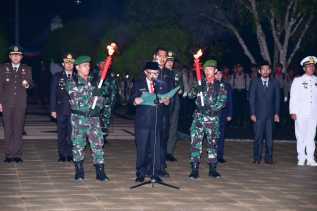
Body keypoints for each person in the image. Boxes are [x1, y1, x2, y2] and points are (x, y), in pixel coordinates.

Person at [66, 56, 109, 181]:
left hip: (93, 119)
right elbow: (76, 98)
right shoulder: (72, 81)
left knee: (98, 145)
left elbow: (101, 100)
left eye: (88, 65)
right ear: (77, 67)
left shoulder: (95, 81)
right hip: (79, 118)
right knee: (78, 145)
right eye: (84, 66)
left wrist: (99, 100)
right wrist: (92, 95)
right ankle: (79, 171)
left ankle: (100, 171)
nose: (87, 68)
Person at [188, 59, 227, 179]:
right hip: (199, 118)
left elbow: (222, 102)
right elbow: (190, 95)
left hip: (212, 118)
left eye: (210, 69)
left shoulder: (220, 85)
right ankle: (194, 169)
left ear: (215, 71)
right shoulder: (199, 83)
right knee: (195, 143)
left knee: (213, 143)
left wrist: (211, 109)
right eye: (205, 69)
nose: (208, 71)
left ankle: (212, 169)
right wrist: (196, 90)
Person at [132, 61, 170, 183]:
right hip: (143, 121)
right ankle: (141, 172)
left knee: (155, 148)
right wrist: (135, 100)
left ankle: (154, 173)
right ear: (145, 72)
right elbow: (131, 99)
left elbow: (168, 102)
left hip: (157, 120)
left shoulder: (162, 85)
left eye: (156, 73)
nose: (154, 76)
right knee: (142, 148)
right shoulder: (138, 84)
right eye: (151, 73)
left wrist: (166, 101)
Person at [0, 46, 32, 163]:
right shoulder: (3, 68)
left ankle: (17, 154)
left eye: (18, 55)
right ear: (10, 56)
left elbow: (31, 84)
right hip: (7, 103)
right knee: (8, 129)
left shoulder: (26, 69)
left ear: (21, 57)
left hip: (20, 104)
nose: (15, 56)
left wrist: (27, 85)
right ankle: (8, 154)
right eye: (13, 54)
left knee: (18, 129)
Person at [249, 61, 280, 164]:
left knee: (269, 139)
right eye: (263, 69)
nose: (265, 71)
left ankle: (269, 158)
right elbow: (252, 99)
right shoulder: (255, 82)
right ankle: (257, 158)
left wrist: (276, 113)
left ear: (270, 71)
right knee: (258, 137)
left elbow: (277, 99)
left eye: (267, 69)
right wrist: (252, 113)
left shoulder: (275, 82)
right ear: (259, 71)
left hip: (270, 116)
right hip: (258, 115)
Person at [289, 56, 317, 167]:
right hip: (300, 113)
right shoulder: (298, 80)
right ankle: (301, 157)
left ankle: (310, 158)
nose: (311, 68)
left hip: (313, 113)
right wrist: (293, 111)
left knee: (311, 136)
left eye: (313, 66)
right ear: (304, 68)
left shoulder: (316, 80)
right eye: (309, 66)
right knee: (300, 135)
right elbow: (293, 97)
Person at [50, 53, 75, 162]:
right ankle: (61, 154)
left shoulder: (77, 77)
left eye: (71, 63)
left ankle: (70, 154)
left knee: (71, 134)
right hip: (61, 109)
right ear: (63, 64)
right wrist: (52, 109)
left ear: (73, 65)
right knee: (61, 133)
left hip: (74, 110)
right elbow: (52, 94)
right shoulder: (57, 76)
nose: (69, 65)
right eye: (66, 63)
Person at [91, 63, 118, 144]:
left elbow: (113, 89)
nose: (103, 65)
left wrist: (112, 102)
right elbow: (90, 86)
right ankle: (93, 136)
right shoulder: (93, 74)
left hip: (106, 100)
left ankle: (103, 136)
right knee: (94, 119)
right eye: (101, 63)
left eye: (105, 63)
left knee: (106, 119)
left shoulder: (110, 75)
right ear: (98, 64)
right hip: (96, 99)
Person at [166, 51, 184, 162]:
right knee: (163, 128)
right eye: (168, 60)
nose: (170, 63)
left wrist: (181, 89)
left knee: (173, 128)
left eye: (172, 61)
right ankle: (160, 150)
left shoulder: (177, 73)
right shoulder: (160, 73)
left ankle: (169, 152)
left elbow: (181, 87)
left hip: (175, 102)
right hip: (164, 102)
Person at [215, 68, 233, 163]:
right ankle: (212, 155)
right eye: (216, 74)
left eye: (220, 74)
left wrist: (229, 114)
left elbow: (230, 100)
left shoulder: (227, 86)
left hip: (222, 113)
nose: (218, 75)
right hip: (212, 114)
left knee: (221, 136)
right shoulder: (210, 85)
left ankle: (220, 155)